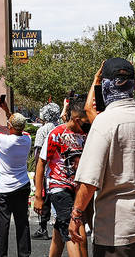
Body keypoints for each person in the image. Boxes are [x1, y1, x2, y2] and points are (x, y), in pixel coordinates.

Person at [70, 58, 135, 257]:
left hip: (120, 228)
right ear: (134, 85)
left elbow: (90, 181)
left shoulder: (104, 122)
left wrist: (76, 215)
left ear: (107, 86)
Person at [36, 94, 89, 257]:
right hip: (59, 188)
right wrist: (38, 196)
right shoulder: (56, 134)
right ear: (77, 119)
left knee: (61, 230)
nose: (89, 125)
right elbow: (41, 163)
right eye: (86, 123)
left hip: (78, 188)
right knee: (74, 233)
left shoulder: (86, 135)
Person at [0, 98, 33, 257]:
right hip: (22, 185)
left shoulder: (5, 142)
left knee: (3, 225)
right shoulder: (27, 139)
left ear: (10, 127)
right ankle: (24, 254)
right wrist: (7, 111)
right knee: (22, 223)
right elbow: (16, 126)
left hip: (4, 188)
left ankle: (2, 254)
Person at [34, 102, 62, 240]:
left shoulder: (42, 130)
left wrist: (36, 172)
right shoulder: (60, 127)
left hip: (46, 169)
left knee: (44, 200)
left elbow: (38, 153)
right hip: (58, 170)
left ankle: (43, 228)